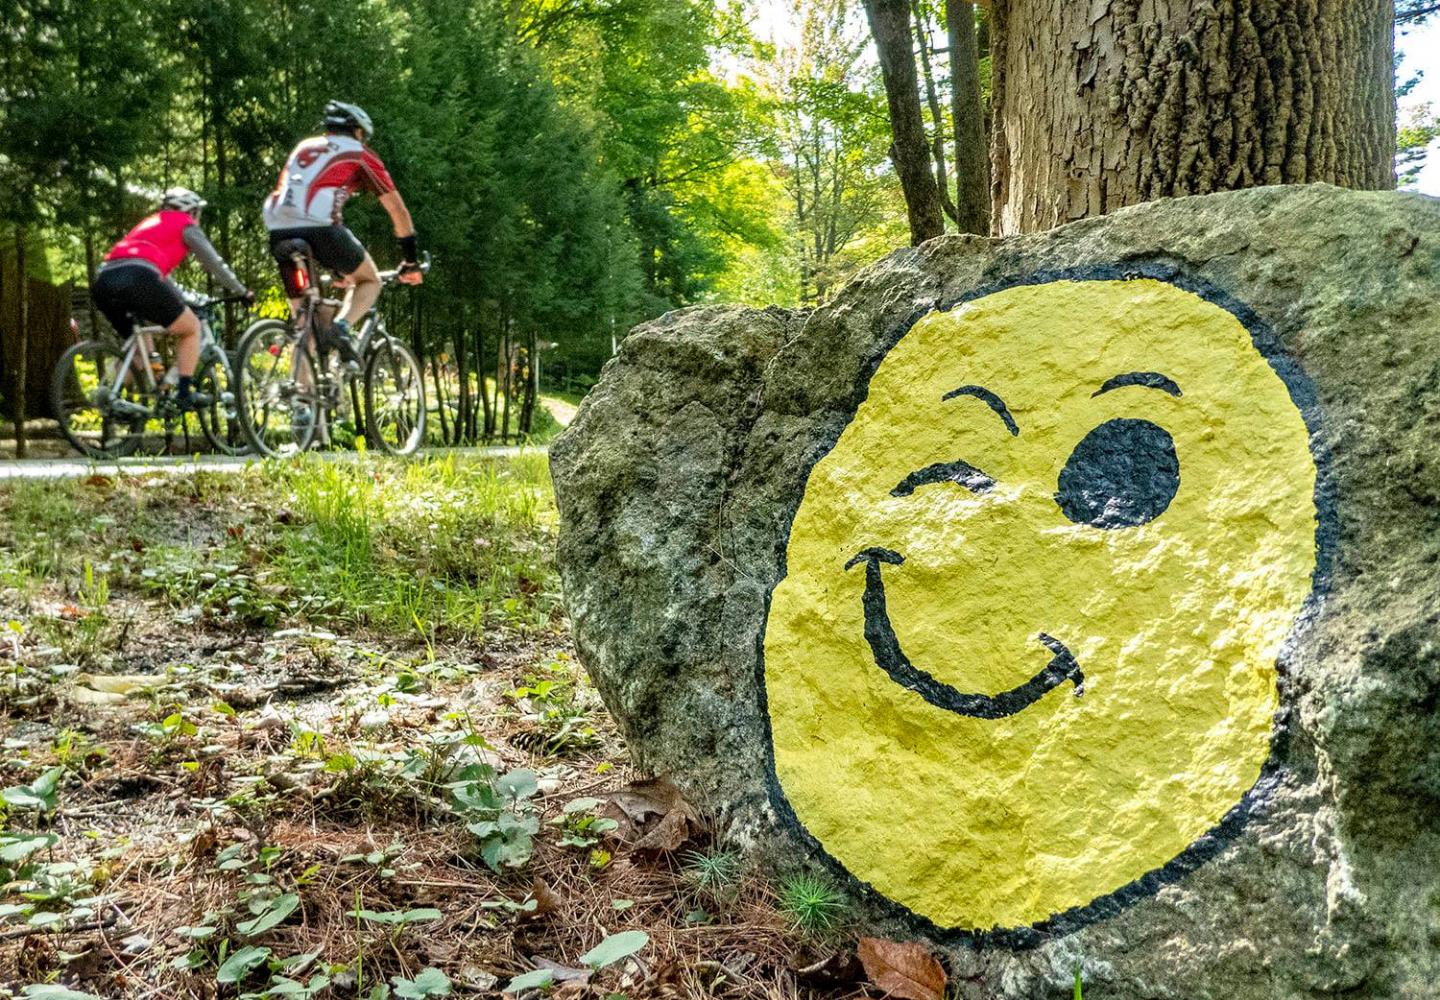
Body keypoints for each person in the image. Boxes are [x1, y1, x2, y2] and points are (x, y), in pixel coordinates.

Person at [263, 100, 422, 366]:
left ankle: (302, 402)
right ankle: (342, 327)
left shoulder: (304, 147)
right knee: (370, 281)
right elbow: (398, 211)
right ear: (358, 132)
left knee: (306, 327)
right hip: (320, 228)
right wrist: (411, 261)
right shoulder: (359, 153)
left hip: (278, 230)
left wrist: (337, 267)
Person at [92, 188, 253, 410]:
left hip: (104, 279)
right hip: (140, 276)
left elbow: (162, 280)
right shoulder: (186, 224)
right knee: (191, 328)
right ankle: (184, 394)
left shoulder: (150, 223)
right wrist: (241, 290)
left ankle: (112, 396)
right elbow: (213, 263)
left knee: (141, 349)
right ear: (192, 210)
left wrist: (183, 298)